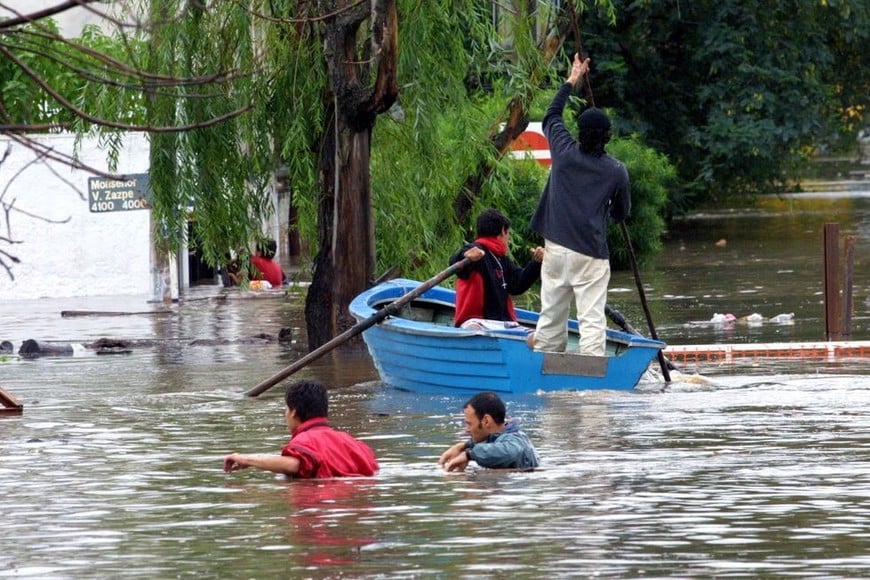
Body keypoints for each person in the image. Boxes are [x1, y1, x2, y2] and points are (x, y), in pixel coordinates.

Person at [529, 54, 631, 356]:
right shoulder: (616, 170)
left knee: (550, 319)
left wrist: (572, 79)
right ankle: (591, 389)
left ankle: (547, 371)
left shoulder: (563, 150)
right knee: (591, 321)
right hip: (590, 254)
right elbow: (621, 213)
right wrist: (607, 209)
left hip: (556, 249)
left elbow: (552, 115)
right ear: (607, 137)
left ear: (580, 133)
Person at [223, 380, 379, 478]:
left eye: (286, 409)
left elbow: (294, 465)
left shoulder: (305, 441)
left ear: (294, 412)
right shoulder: (353, 442)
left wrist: (247, 460)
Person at [449, 208, 544, 329]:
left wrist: (536, 263)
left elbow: (517, 285)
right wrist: (465, 256)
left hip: (502, 322)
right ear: (503, 231)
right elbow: (455, 262)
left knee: (535, 339)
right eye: (508, 233)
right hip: (475, 321)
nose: (508, 238)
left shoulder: (501, 259)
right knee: (475, 330)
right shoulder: (475, 250)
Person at [438, 391, 540, 471]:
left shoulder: (514, 441)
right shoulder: (502, 437)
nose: (467, 430)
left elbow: (512, 452)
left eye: (469, 424)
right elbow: (491, 444)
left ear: (486, 421)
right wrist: (463, 446)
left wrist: (469, 455)